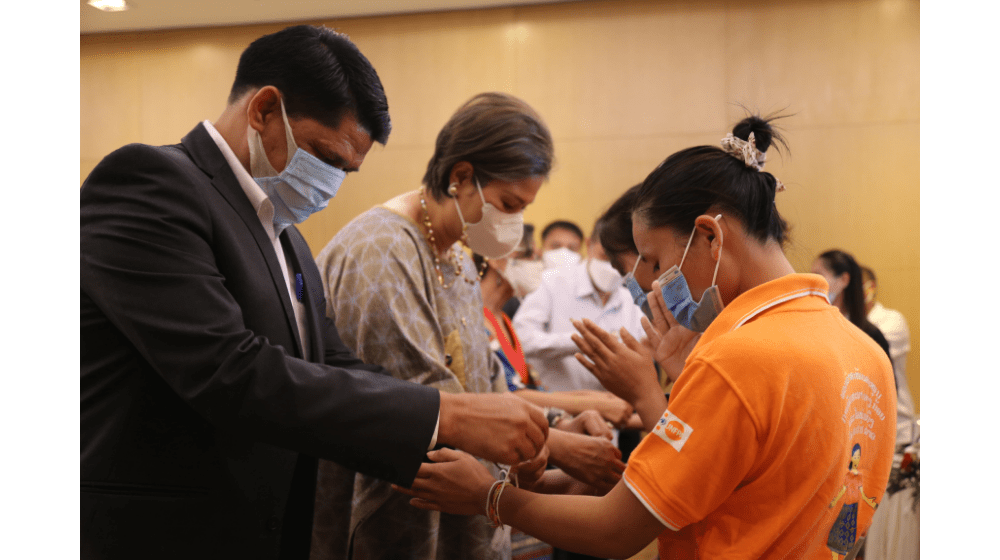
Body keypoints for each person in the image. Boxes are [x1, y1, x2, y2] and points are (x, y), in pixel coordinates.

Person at [80, 26, 547, 560]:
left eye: (347, 171)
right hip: (161, 532)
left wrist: (450, 426)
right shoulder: (151, 182)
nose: (331, 184)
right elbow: (229, 371)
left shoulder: (286, 234)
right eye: (326, 158)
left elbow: (331, 363)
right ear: (263, 111)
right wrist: (449, 415)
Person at [396, 114, 897, 559]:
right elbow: (754, 487)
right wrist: (681, 387)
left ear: (709, 236)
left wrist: (490, 496)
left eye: (655, 261)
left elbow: (616, 531)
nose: (649, 284)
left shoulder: (740, 358)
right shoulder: (864, 351)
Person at [311, 92, 624, 560]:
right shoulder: (380, 252)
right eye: (508, 203)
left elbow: (485, 385)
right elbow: (419, 404)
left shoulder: (455, 255)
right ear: (461, 177)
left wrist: (559, 423)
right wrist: (555, 446)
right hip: (390, 523)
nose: (514, 224)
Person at [514, 227, 646, 394]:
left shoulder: (632, 302)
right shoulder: (550, 282)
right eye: (606, 257)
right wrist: (580, 341)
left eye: (622, 263)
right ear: (589, 244)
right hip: (556, 410)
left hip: (617, 410)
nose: (613, 268)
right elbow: (521, 340)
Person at [861, 265, 917, 445]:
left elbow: (864, 358)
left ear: (870, 287)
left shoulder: (892, 321)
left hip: (897, 430)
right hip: (862, 430)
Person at [812, 250, 892, 360]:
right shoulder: (814, 329)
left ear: (844, 279)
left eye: (818, 276)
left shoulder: (871, 336)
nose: (812, 283)